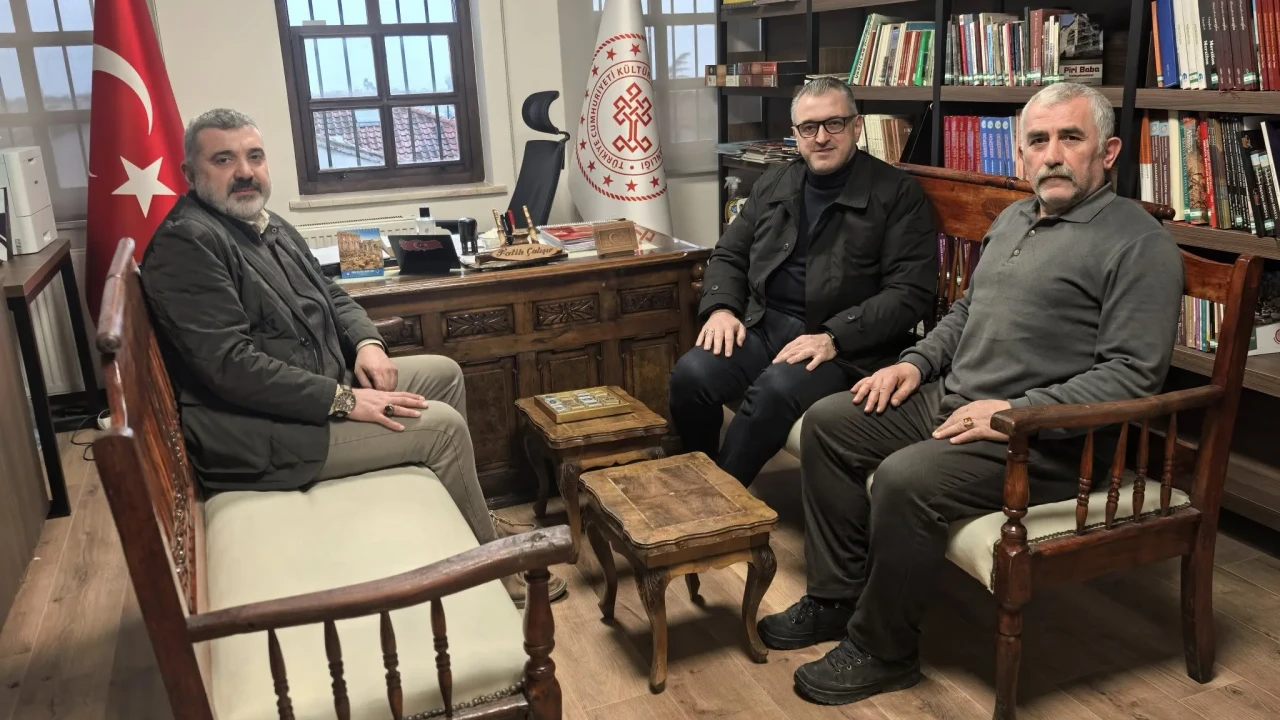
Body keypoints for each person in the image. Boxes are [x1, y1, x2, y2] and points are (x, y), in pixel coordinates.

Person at [756, 82, 1185, 705]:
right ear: (1021, 154)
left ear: (1109, 151)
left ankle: (883, 650)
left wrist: (1016, 412)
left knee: (906, 478)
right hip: (957, 400)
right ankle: (835, 599)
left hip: (1046, 441)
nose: (1052, 155)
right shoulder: (1015, 217)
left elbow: (1132, 374)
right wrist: (915, 363)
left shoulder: (1139, 244)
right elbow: (964, 313)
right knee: (829, 422)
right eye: (1038, 140)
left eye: (1071, 138)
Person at [140, 108, 566, 607]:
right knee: (443, 429)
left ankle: (468, 520)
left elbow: (333, 295)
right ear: (189, 173)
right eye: (223, 159)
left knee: (444, 374)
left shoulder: (263, 223)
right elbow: (231, 367)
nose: (245, 172)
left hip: (308, 390)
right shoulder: (189, 241)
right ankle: (492, 571)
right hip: (258, 431)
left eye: (254, 156)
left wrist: (367, 344)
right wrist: (344, 400)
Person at [667, 76, 938, 486]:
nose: (821, 137)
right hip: (764, 324)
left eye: (834, 124)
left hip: (846, 345)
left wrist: (833, 337)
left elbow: (909, 293)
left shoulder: (897, 193)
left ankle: (717, 498)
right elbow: (729, 253)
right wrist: (721, 308)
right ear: (795, 134)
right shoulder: (776, 182)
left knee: (774, 392)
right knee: (691, 376)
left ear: (856, 126)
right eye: (809, 127)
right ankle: (698, 477)